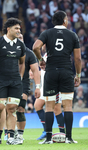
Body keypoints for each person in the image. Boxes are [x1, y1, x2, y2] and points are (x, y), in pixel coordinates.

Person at [33, 10, 81, 144]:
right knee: (68, 106)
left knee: (49, 106)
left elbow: (35, 47)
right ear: (65, 21)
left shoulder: (47, 33)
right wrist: (77, 75)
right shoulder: (72, 35)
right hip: (66, 72)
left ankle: (48, 138)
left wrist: (41, 59)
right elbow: (77, 59)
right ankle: (69, 138)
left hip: (51, 72)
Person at [0, 18, 26, 145]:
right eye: (16, 28)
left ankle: (10, 137)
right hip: (1, 81)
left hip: (15, 81)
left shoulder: (20, 45)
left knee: (12, 108)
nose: (19, 31)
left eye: (19, 28)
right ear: (8, 29)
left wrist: (19, 77)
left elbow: (22, 63)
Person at [15, 34, 40, 144]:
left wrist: (37, 86)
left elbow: (35, 70)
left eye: (21, 38)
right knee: (8, 110)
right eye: (17, 38)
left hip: (23, 85)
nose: (19, 40)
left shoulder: (29, 53)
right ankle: (10, 133)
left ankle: (19, 135)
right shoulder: (7, 52)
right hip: (7, 83)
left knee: (20, 110)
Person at [34, 53, 65, 140]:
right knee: (37, 106)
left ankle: (62, 133)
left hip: (54, 85)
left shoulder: (55, 53)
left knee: (56, 109)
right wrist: (37, 73)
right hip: (44, 86)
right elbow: (45, 70)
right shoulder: (45, 55)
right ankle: (46, 130)